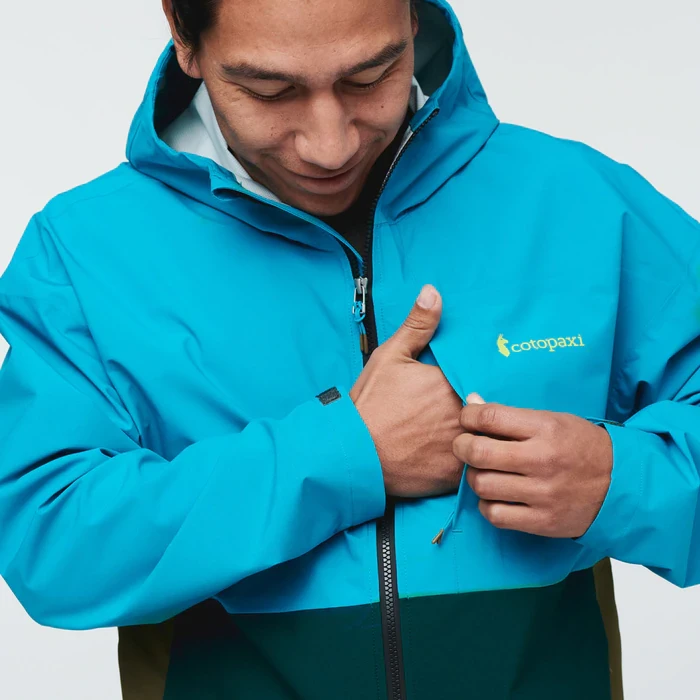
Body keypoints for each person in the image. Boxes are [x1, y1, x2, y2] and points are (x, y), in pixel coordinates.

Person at [0, 0, 698, 697]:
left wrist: (622, 480)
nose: (329, 146)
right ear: (184, 35)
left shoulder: (582, 203)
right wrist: (344, 454)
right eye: (270, 91)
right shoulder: (83, 255)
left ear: (413, 19)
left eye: (369, 78)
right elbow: (50, 546)